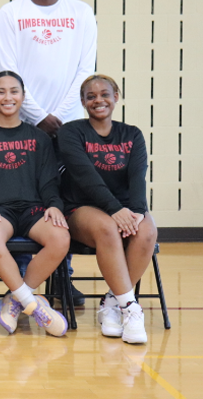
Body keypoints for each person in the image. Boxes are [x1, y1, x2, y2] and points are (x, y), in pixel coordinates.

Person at [0, 0, 97, 306]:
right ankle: (27, 280)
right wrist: (38, 115)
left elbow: (86, 69)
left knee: (63, 199)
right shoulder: (11, 13)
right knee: (28, 199)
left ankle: (62, 278)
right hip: (26, 122)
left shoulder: (81, 12)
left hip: (69, 123)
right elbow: (8, 69)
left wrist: (62, 114)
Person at [0, 71, 70, 337]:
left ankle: (14, 299)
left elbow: (49, 181)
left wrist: (54, 205)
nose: (8, 97)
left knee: (61, 237)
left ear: (23, 96)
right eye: (1, 91)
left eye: (14, 91)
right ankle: (33, 304)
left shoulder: (40, 138)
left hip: (33, 209)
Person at [59, 75, 156, 344]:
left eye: (104, 94)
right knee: (107, 229)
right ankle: (130, 308)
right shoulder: (71, 132)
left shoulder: (132, 134)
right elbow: (85, 176)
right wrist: (115, 209)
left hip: (124, 208)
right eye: (91, 96)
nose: (98, 100)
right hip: (82, 206)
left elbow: (138, 176)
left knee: (147, 231)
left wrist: (136, 211)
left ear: (116, 97)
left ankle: (112, 303)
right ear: (83, 102)